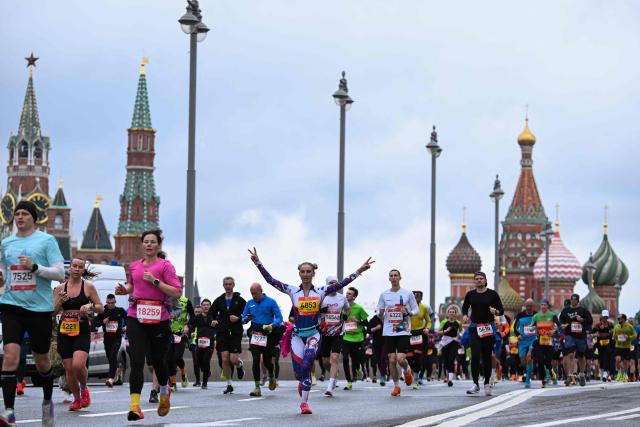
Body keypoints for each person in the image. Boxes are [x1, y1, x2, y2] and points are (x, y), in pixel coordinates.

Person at [249, 247, 374, 414]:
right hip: (296, 336)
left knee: (307, 365)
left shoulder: (321, 291)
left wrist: (359, 270)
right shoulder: (292, 290)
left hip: (313, 335)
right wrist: (258, 262)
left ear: (313, 273)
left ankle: (304, 403)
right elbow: (271, 280)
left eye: (309, 271)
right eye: (303, 271)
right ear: (299, 273)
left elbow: (342, 283)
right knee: (299, 373)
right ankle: (303, 382)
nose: (306, 274)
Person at [0, 200, 65, 427]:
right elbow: (3, 271)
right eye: (17, 213)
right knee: (10, 355)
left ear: (33, 218)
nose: (19, 217)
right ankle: (9, 411)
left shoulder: (46, 241)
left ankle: (47, 402)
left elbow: (60, 273)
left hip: (39, 309)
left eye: (24, 213)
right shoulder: (6, 243)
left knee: (42, 361)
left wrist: (35, 268)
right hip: (11, 305)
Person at [115, 229, 182, 421]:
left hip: (158, 319)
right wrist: (123, 289)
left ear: (158, 245)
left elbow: (176, 292)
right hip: (135, 316)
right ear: (142, 244)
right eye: (146, 242)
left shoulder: (165, 266)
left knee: (157, 361)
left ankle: (163, 390)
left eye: (153, 242)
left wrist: (155, 281)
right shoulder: (134, 266)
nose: (149, 245)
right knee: (136, 362)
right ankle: (135, 406)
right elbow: (131, 286)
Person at [53, 258, 103, 410]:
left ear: (83, 270)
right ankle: (76, 399)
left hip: (81, 329)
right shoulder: (60, 288)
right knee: (69, 368)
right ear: (70, 268)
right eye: (74, 266)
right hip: (65, 329)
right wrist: (60, 302)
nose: (76, 269)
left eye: (80, 267)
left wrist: (90, 306)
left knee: (78, 365)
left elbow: (100, 307)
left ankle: (84, 387)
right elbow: (52, 311)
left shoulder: (88, 287)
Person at [376, 269, 419, 397]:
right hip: (389, 330)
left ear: (400, 277)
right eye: (391, 276)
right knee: (392, 359)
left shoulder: (407, 293)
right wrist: (380, 312)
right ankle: (396, 386)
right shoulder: (384, 294)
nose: (393, 277)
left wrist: (409, 313)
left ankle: (406, 369)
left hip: (402, 329)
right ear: (389, 279)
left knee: (400, 359)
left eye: (396, 275)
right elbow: (379, 310)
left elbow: (415, 309)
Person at [462, 271, 504, 396]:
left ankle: (486, 383)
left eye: (481, 278)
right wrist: (465, 315)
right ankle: (475, 383)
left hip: (488, 328)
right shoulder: (470, 294)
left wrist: (495, 311)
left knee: (486, 357)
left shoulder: (492, 294)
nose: (479, 280)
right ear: (474, 281)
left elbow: (501, 310)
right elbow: (465, 307)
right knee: (474, 355)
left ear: (485, 281)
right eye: (477, 279)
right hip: (475, 328)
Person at [242, 282, 282, 396]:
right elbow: (243, 319)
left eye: (256, 293)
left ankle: (271, 375)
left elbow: (279, 318)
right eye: (252, 293)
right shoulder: (249, 303)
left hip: (267, 332)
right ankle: (257, 387)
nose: (254, 296)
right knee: (255, 359)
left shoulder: (271, 301)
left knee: (266, 361)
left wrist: (272, 325)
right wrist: (246, 319)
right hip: (255, 331)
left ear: (261, 291)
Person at [210, 277, 246, 394]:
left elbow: (248, 315)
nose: (228, 286)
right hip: (222, 332)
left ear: (234, 285)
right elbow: (211, 314)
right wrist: (213, 321)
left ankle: (239, 365)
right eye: (226, 284)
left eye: (230, 284)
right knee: (225, 359)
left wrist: (238, 318)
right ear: (223, 285)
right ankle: (229, 384)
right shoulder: (219, 300)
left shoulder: (240, 300)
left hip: (235, 333)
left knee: (233, 359)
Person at [317, 276, 349, 396]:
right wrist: (321, 311)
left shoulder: (342, 298)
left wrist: (345, 315)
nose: (334, 286)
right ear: (327, 285)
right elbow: (315, 312)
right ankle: (333, 374)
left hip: (337, 332)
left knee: (334, 358)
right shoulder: (321, 297)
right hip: (324, 332)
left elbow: (347, 309)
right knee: (325, 362)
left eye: (336, 283)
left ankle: (330, 386)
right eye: (331, 283)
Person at [559, 294, 592, 387]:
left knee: (581, 356)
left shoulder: (583, 311)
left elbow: (590, 321)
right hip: (570, 335)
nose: (573, 301)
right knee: (570, 354)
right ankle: (569, 375)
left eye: (575, 300)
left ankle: (581, 374)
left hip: (581, 336)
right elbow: (561, 320)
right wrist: (562, 325)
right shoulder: (566, 311)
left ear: (578, 301)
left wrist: (582, 319)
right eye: (572, 300)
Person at [94, 293, 127, 387]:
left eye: (112, 303)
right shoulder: (103, 312)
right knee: (111, 358)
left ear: (115, 302)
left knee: (113, 355)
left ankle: (110, 379)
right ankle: (116, 370)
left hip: (117, 338)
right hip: (107, 339)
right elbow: (94, 323)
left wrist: (126, 327)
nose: (111, 305)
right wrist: (102, 322)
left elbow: (128, 319)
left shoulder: (120, 311)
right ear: (106, 302)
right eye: (109, 303)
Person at [342, 286, 368, 390]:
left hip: (357, 338)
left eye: (349, 294)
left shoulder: (359, 308)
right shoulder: (342, 307)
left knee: (355, 359)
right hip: (345, 337)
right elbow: (341, 320)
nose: (347, 295)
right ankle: (349, 381)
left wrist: (358, 321)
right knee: (344, 359)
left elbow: (367, 323)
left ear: (354, 297)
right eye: (347, 293)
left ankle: (358, 369)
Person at [530, 299, 560, 388]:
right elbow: (532, 325)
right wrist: (531, 328)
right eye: (542, 305)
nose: (543, 306)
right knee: (540, 361)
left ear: (547, 306)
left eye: (545, 305)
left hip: (549, 341)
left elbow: (558, 325)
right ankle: (543, 380)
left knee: (547, 361)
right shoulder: (536, 316)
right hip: (539, 341)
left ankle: (550, 370)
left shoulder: (552, 315)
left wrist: (554, 331)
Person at [168, 295, 195, 390]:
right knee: (169, 359)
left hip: (181, 334)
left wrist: (188, 325)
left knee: (177, 357)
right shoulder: (165, 298)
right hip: (167, 333)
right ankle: (173, 383)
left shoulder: (186, 301)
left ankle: (183, 374)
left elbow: (193, 316)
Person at [408, 290, 431, 387]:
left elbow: (429, 321)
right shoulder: (406, 307)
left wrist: (427, 328)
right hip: (408, 334)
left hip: (419, 333)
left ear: (421, 298)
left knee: (418, 357)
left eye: (418, 296)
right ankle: (409, 372)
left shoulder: (424, 307)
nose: (416, 298)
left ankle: (416, 377)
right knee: (409, 357)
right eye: (414, 296)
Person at [513, 299, 538, 388]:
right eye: (527, 306)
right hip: (523, 340)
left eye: (530, 306)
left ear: (533, 306)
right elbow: (515, 327)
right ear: (525, 306)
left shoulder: (536, 315)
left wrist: (538, 337)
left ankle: (527, 380)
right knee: (522, 359)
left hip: (533, 339)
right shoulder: (520, 315)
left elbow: (539, 326)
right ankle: (527, 370)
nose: (529, 308)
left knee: (529, 357)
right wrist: (518, 334)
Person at [437, 305, 462, 387]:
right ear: (448, 314)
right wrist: (445, 330)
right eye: (450, 312)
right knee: (446, 361)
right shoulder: (444, 322)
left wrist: (458, 337)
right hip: (445, 342)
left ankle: (450, 380)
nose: (451, 313)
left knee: (451, 359)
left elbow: (460, 332)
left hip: (454, 342)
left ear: (455, 314)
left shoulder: (458, 323)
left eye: (453, 312)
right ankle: (447, 376)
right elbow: (438, 332)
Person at [193, 298, 215, 389]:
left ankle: (204, 383)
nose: (206, 306)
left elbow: (220, 326)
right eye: (204, 305)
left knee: (206, 361)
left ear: (210, 306)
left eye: (208, 305)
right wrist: (190, 331)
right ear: (202, 307)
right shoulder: (197, 318)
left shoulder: (214, 316)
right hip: (199, 343)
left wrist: (216, 326)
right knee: (199, 362)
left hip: (210, 343)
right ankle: (207, 370)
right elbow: (191, 326)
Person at [613, 313, 637, 382]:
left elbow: (635, 335)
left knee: (626, 362)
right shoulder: (616, 326)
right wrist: (616, 338)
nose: (618, 319)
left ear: (623, 319)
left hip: (626, 347)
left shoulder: (629, 327)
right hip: (618, 346)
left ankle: (625, 374)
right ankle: (619, 372)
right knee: (617, 360)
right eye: (617, 318)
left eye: (619, 318)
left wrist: (628, 337)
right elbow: (614, 336)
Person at [592, 310, 613, 382]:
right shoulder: (597, 325)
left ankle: (605, 373)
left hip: (608, 344)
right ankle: (602, 371)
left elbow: (612, 333)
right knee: (601, 358)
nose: (605, 318)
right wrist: (595, 334)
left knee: (606, 357)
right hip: (600, 344)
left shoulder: (610, 324)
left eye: (606, 317)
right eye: (604, 317)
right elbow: (593, 333)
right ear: (602, 317)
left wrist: (612, 333)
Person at [368, 313, 387, 385]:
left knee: (383, 358)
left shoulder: (388, 317)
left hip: (386, 341)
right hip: (376, 343)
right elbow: (368, 330)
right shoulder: (374, 319)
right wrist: (376, 328)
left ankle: (382, 377)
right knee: (376, 360)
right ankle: (381, 374)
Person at [190, 304, 202, 386]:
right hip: (194, 343)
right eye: (196, 312)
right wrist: (191, 333)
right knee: (196, 363)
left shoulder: (204, 319)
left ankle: (206, 370)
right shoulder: (192, 320)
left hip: (204, 343)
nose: (197, 313)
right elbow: (189, 328)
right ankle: (198, 381)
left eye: (199, 312)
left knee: (204, 361)